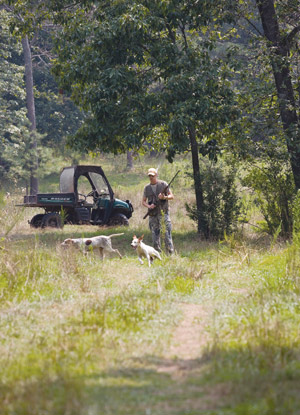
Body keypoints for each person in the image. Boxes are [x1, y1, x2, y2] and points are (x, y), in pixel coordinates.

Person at [142, 168, 174, 254]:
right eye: (149, 176)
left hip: (163, 213)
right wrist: (149, 206)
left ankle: (170, 254)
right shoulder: (147, 188)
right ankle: (157, 254)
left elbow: (172, 196)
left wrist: (164, 197)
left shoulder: (163, 184)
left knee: (167, 234)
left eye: (152, 175)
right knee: (154, 236)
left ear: (156, 175)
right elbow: (143, 202)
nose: (151, 177)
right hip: (153, 215)